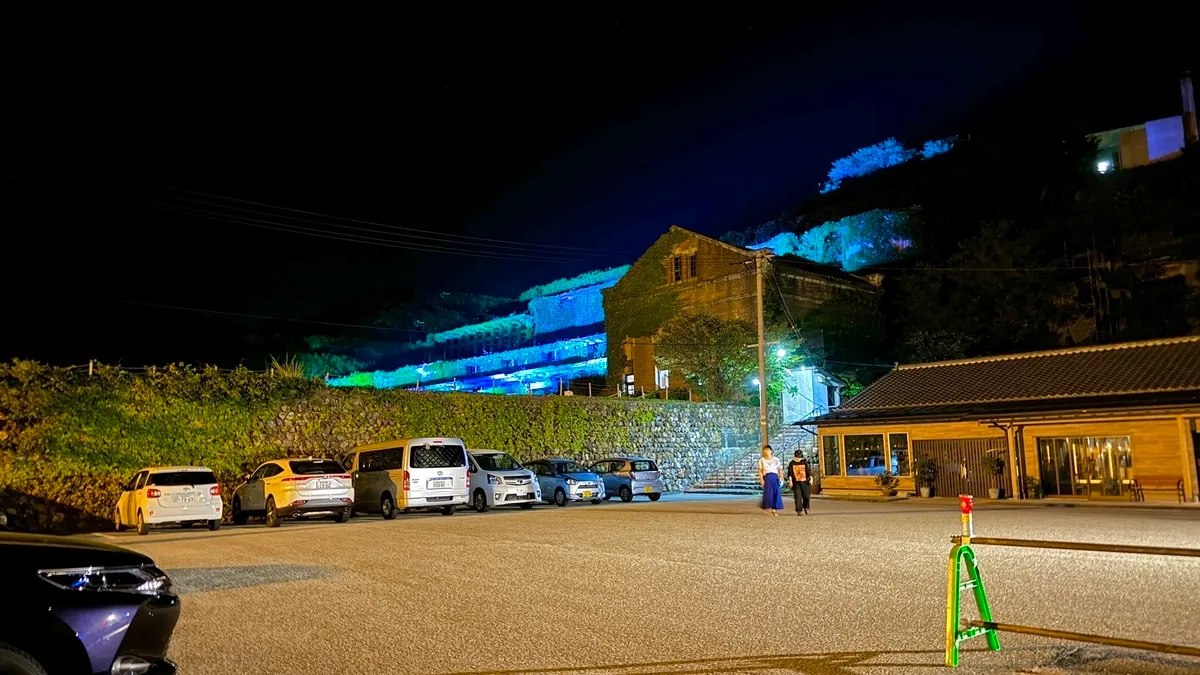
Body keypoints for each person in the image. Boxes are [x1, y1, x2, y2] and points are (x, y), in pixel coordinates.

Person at [757, 445, 783, 515]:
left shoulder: (776, 459)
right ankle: (767, 506)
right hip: (767, 476)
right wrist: (761, 479)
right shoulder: (761, 460)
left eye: (768, 450)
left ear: (771, 451)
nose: (766, 451)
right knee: (768, 493)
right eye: (765, 450)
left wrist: (781, 477)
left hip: (775, 476)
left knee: (776, 492)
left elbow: (780, 469)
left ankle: (775, 508)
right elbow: (760, 470)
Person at [786, 449, 811, 515]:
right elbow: (790, 473)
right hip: (796, 482)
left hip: (805, 481)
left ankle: (806, 506)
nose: (798, 459)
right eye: (797, 457)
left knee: (806, 496)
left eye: (799, 457)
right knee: (797, 496)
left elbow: (808, 471)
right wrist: (790, 481)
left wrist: (811, 478)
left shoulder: (804, 462)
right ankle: (799, 510)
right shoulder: (792, 463)